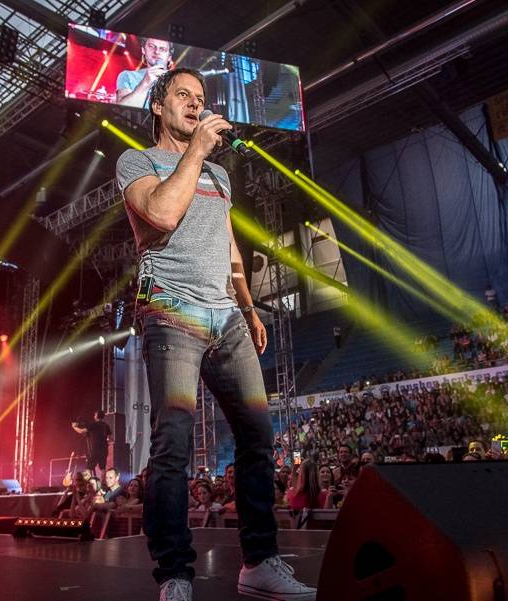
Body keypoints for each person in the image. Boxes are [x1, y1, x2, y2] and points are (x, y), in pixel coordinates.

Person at [116, 67, 315, 601]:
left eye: (200, 98)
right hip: (170, 312)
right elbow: (159, 213)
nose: (194, 104)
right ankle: (176, 575)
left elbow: (229, 250)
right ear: (158, 107)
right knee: (173, 445)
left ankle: (260, 563)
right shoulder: (137, 163)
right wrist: (197, 152)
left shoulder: (220, 178)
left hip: (225, 314)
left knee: (257, 438)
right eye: (183, 96)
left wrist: (248, 308)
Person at [115, 37, 173, 108]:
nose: (157, 51)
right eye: (151, 46)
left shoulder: (178, 80)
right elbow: (121, 110)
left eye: (162, 49)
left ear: (169, 56)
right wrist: (146, 82)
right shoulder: (128, 76)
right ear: (143, 50)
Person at [72, 411, 113, 479]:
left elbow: (81, 431)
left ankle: (89, 484)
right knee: (103, 468)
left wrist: (74, 427)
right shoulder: (106, 425)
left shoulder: (94, 424)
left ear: (96, 416)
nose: (94, 416)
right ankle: (104, 483)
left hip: (94, 449)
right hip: (104, 450)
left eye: (94, 415)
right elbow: (110, 438)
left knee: (89, 468)